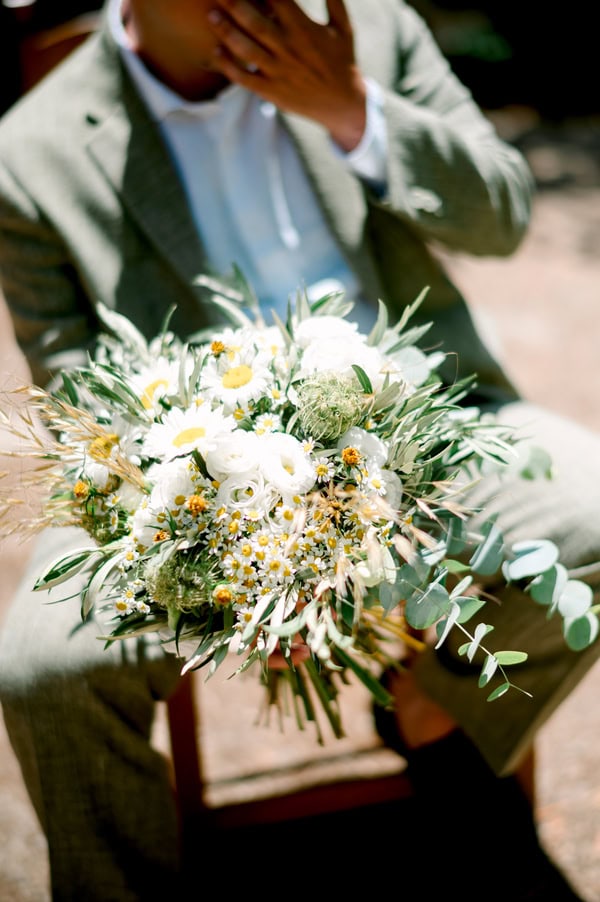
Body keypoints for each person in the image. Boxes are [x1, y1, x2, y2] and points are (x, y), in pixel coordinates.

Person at [0, 0, 598, 898]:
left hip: (431, 422)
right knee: (44, 669)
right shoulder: (29, 151)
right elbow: (82, 393)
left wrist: (353, 107)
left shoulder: (371, 31)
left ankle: (435, 716)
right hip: (187, 484)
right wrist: (245, 572)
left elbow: (503, 217)